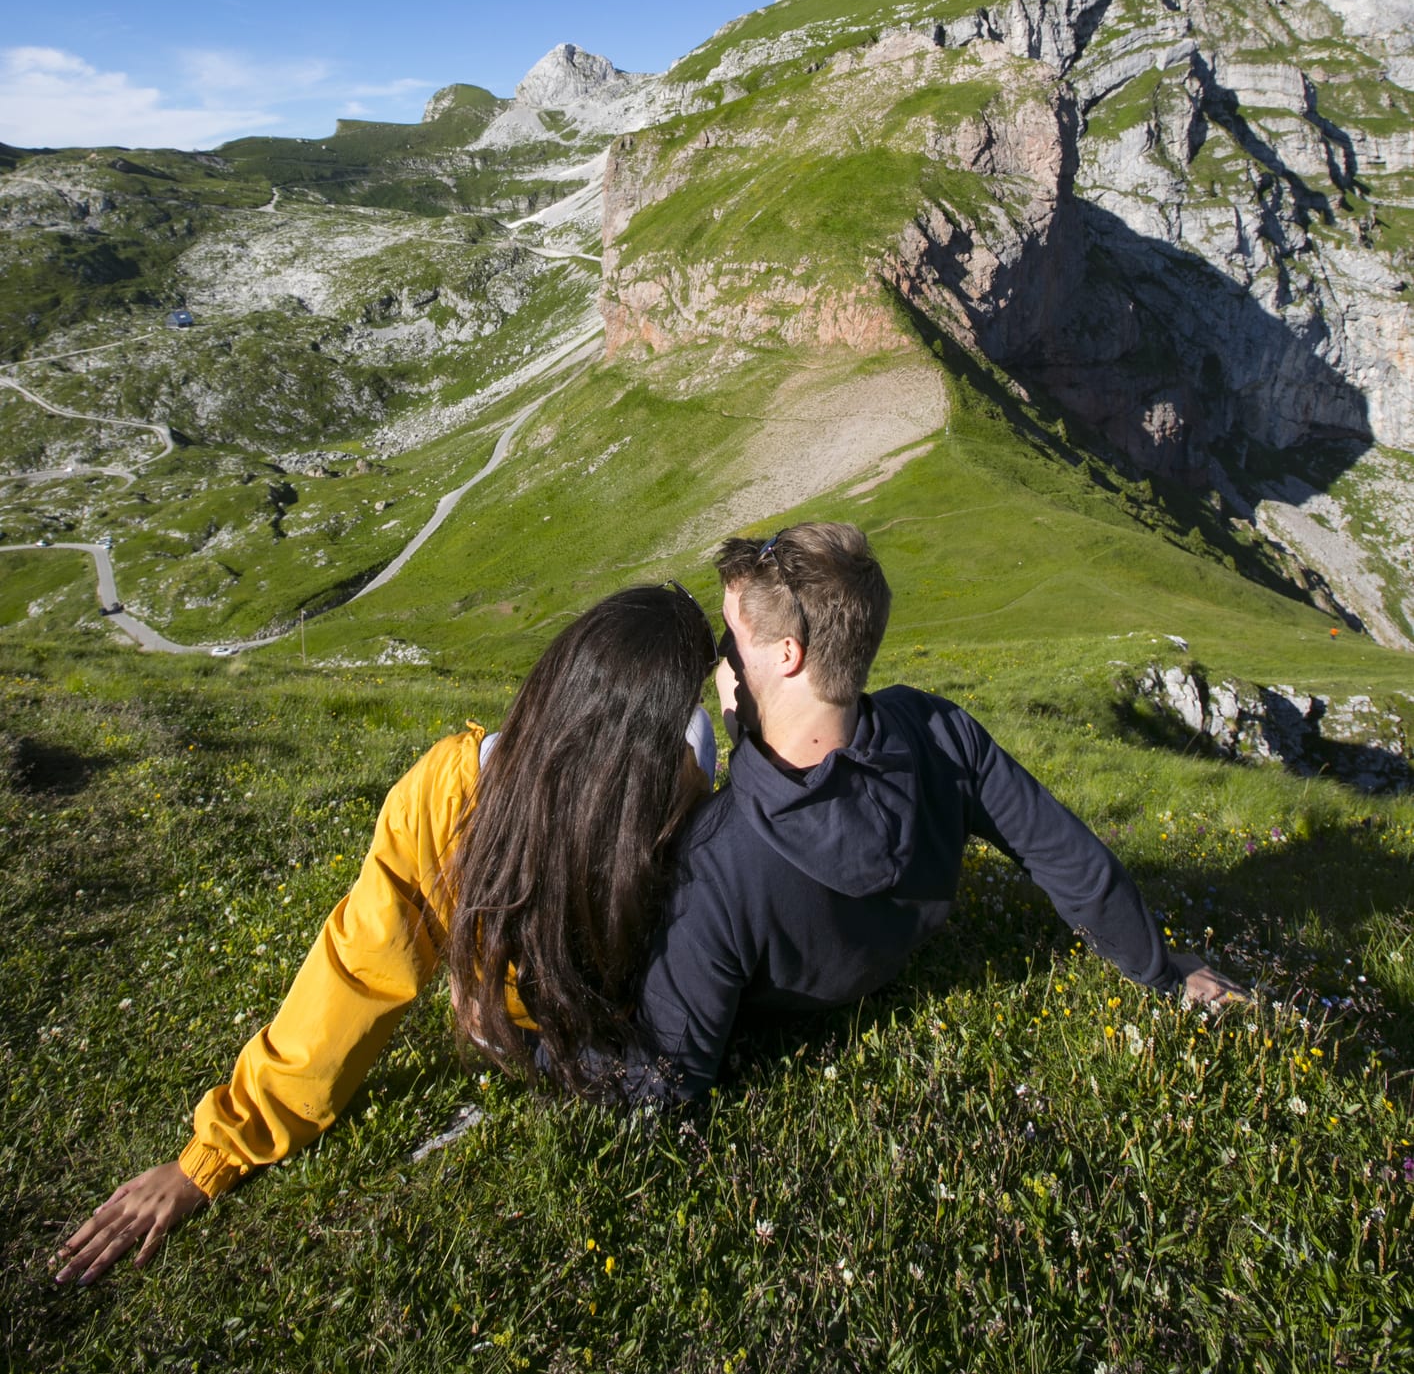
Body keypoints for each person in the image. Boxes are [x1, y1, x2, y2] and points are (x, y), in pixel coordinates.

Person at [55, 583, 719, 1286]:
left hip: (516, 1033)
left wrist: (216, 1152)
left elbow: (357, 973)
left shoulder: (450, 789)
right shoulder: (688, 790)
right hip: (629, 1043)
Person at [631, 522, 1246, 1097]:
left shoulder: (715, 861)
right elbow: (1067, 858)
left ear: (788, 655)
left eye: (731, 642)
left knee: (688, 728)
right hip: (886, 950)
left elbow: (667, 1078)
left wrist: (537, 1041)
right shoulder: (938, 731)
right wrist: (1161, 971)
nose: (722, 660)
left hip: (789, 991)